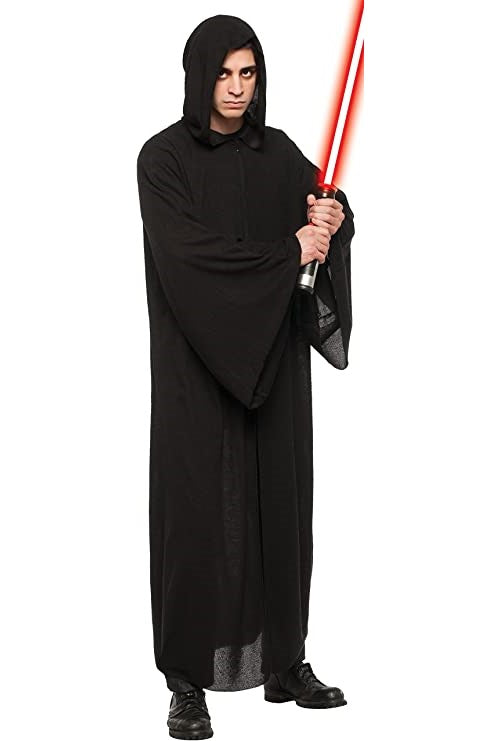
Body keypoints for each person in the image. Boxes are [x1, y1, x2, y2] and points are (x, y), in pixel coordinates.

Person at [137, 14, 355, 740]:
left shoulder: (279, 152)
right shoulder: (162, 159)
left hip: (274, 365)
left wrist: (331, 217)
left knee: (280, 508)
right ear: (200, 76)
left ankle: (285, 661)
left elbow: (321, 218)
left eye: (249, 73)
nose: (236, 88)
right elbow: (188, 256)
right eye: (225, 73)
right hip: (195, 370)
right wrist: (290, 249)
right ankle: (186, 682)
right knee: (197, 520)